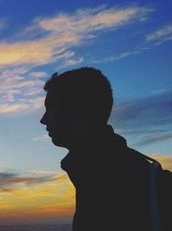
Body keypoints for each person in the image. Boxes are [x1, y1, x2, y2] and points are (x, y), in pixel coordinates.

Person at [40, 67, 171, 231]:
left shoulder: (137, 186)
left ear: (77, 109)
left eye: (50, 108)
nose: (43, 120)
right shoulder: (91, 176)